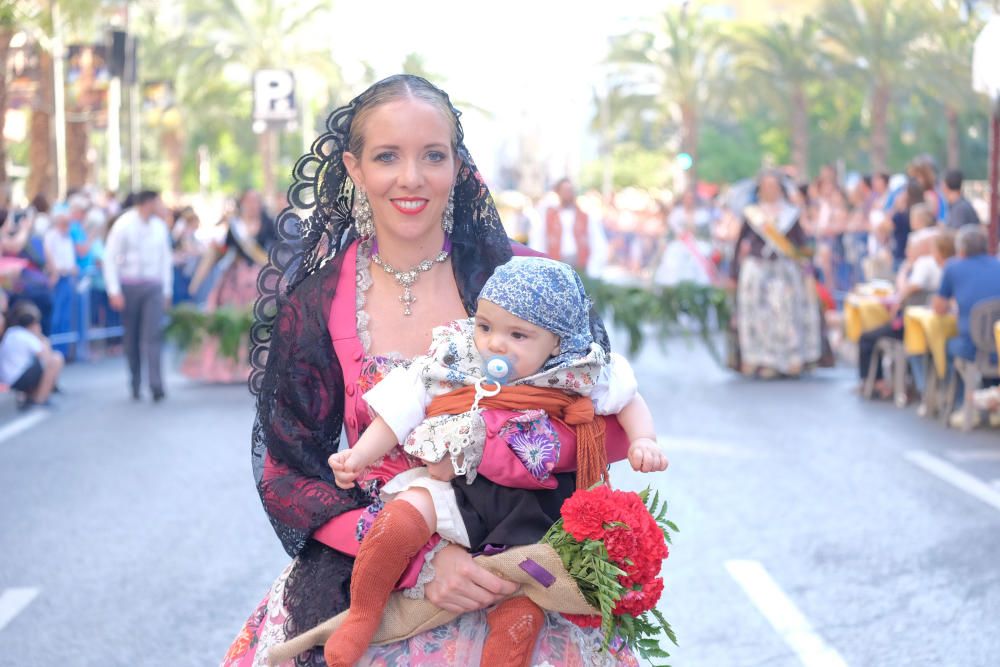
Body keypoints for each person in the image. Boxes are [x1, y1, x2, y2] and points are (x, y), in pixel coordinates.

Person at [222, 75, 643, 667]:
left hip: (522, 569)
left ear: (457, 164)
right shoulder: (318, 303)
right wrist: (420, 560)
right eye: (387, 156)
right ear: (355, 167)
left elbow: (599, 413)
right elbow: (289, 473)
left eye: (433, 156)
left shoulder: (526, 279)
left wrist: (516, 481)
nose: (411, 178)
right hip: (377, 566)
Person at [324, 256, 666, 667]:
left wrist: (643, 439)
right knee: (402, 515)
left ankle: (506, 653)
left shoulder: (578, 369)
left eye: (518, 335)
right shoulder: (458, 356)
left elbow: (627, 397)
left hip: (535, 509)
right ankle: (363, 613)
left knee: (521, 595)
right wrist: (359, 456)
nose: (495, 344)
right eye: (485, 326)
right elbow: (403, 406)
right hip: (459, 488)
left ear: (556, 341)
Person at [728, 169, 823, 378]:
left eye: (773, 186)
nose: (769, 190)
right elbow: (739, 244)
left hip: (784, 269)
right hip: (757, 268)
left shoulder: (791, 214)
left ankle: (790, 360)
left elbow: (801, 244)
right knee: (759, 316)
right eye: (765, 186)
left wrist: (807, 264)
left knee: (785, 315)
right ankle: (762, 360)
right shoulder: (753, 213)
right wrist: (733, 272)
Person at [181, 189, 274, 382]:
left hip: (262, 278)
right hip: (236, 279)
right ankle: (233, 365)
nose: (252, 205)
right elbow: (221, 251)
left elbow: (278, 250)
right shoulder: (235, 227)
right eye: (249, 201)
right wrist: (197, 281)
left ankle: (262, 363)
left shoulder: (268, 223)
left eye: (256, 201)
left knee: (264, 321)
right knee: (233, 321)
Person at [857, 230, 955, 397]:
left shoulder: (926, 265)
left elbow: (908, 289)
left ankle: (916, 389)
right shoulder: (938, 266)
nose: (907, 251)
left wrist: (904, 271)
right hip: (928, 323)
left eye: (911, 247)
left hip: (917, 325)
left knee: (870, 338)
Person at [102, 190, 172, 401]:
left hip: (153, 286)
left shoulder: (159, 227)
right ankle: (135, 380)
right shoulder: (123, 224)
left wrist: (167, 290)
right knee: (131, 337)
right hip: (129, 286)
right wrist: (113, 290)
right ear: (147, 203)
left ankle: (156, 384)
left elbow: (165, 260)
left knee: (153, 335)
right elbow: (110, 258)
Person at [932, 224, 1000, 427]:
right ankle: (992, 405)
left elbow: (939, 307)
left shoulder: (953, 267)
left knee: (948, 348)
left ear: (961, 250)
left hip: (971, 342)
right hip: (996, 341)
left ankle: (962, 403)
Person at [0, 301, 64, 409]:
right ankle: (40, 399)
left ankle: (32, 396)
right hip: (17, 379)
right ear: (33, 324)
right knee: (56, 359)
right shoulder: (26, 336)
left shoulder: (11, 332)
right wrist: (42, 339)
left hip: (10, 379)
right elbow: (47, 358)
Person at [43, 203, 79, 355]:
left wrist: (71, 269)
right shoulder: (51, 236)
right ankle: (54, 349)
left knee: (65, 317)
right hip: (57, 280)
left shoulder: (68, 238)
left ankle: (63, 351)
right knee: (56, 316)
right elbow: (48, 255)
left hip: (67, 279)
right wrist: (55, 271)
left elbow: (70, 259)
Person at [544, 178, 590, 272]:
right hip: (556, 260)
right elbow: (540, 240)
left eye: (570, 190)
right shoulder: (549, 215)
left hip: (578, 260)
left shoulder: (583, 215)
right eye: (565, 190)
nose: (568, 193)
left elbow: (594, 240)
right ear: (558, 192)